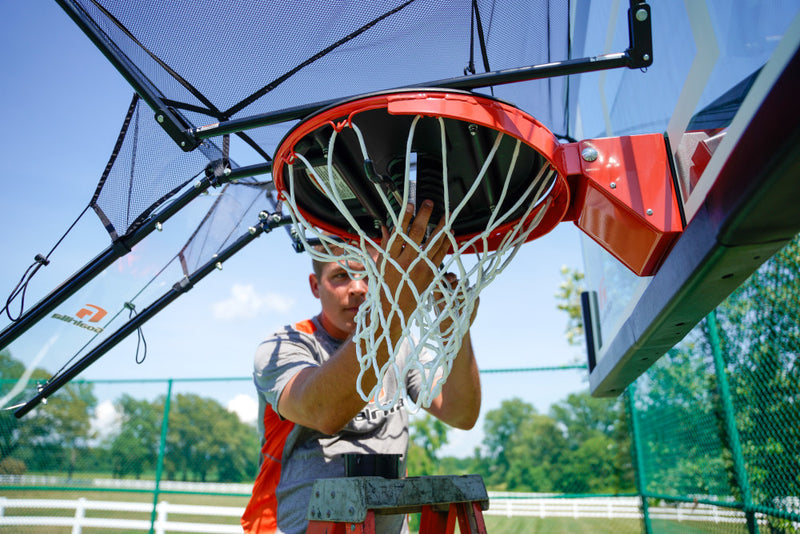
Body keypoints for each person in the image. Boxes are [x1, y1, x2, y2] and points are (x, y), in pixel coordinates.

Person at [241, 200, 482, 534]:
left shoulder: (399, 345)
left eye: (367, 276)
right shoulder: (285, 345)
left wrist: (456, 332)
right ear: (315, 286)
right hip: (294, 527)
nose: (356, 288)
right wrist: (395, 303)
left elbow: (461, 413)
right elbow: (324, 411)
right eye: (341, 276)